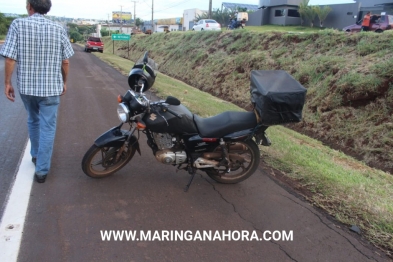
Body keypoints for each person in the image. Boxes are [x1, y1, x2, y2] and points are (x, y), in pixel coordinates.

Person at [0, 0, 74, 183]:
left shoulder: (18, 24)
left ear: (30, 7)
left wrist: (7, 82)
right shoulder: (59, 29)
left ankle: (35, 154)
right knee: (48, 127)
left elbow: (10, 59)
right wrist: (64, 82)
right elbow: (66, 61)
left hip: (27, 88)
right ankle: (42, 171)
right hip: (50, 89)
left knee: (33, 120)